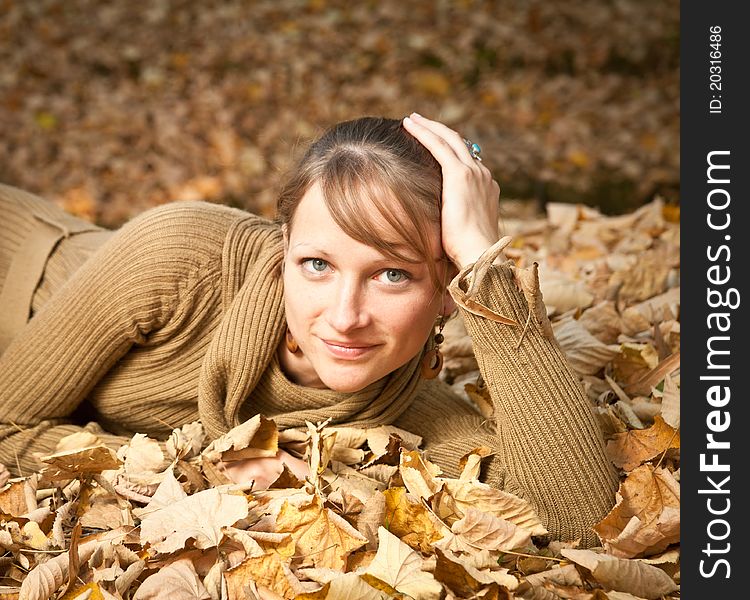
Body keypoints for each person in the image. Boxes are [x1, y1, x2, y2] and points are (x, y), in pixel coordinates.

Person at [0, 114, 618, 546]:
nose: (345, 316)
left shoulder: (403, 409)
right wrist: (192, 466)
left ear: (447, 292)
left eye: (393, 275)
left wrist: (486, 263)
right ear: (283, 248)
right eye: (316, 265)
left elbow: (578, 514)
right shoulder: (175, 259)